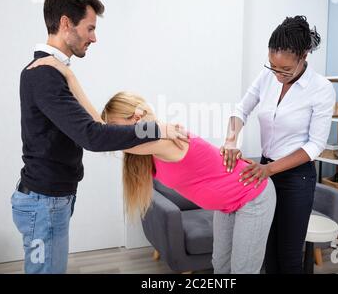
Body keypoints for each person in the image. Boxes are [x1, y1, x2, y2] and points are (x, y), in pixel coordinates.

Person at [27, 55, 276, 273]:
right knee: (221, 265)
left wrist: (70, 78)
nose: (116, 133)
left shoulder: (166, 138)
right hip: (227, 204)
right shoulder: (151, 146)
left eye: (117, 126)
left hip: (252, 195)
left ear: (135, 118)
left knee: (243, 270)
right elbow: (104, 134)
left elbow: (102, 136)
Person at [13, 0, 186, 274]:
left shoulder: (55, 71)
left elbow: (95, 127)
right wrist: (157, 129)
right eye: (90, 28)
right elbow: (92, 136)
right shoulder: (44, 74)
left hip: (49, 199)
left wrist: (70, 76)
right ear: (67, 23)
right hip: (44, 203)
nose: (94, 37)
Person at [220, 15, 336, 273]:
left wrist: (269, 171)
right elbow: (240, 110)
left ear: (304, 56)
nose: (278, 74)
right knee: (266, 250)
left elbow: (315, 145)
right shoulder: (267, 76)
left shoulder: (321, 89)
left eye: (285, 69)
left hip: (296, 178)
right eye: (273, 66)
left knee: (289, 255)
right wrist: (230, 141)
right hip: (265, 171)